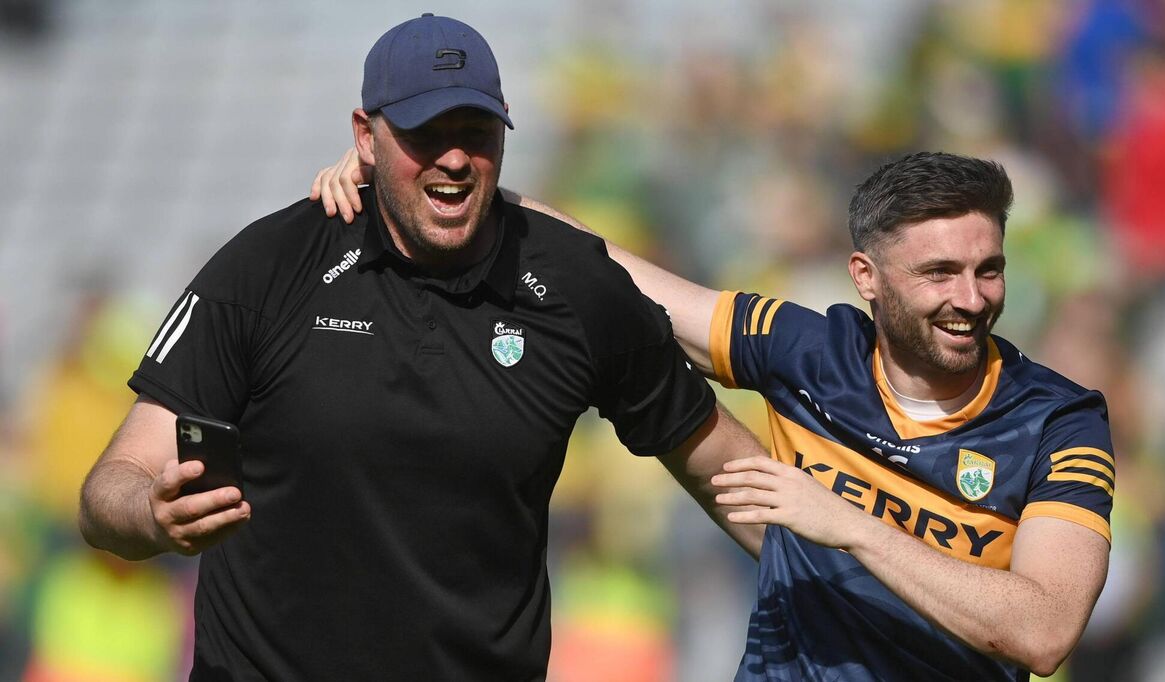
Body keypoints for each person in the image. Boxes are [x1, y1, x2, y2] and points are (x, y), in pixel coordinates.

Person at [78, 14, 766, 681]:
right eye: (425, 132)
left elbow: (728, 474)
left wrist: (859, 581)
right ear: (365, 138)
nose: (456, 156)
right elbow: (111, 486)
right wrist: (152, 514)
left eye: (476, 130)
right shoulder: (266, 267)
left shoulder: (576, 288)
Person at [314, 151, 1115, 680]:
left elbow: (1045, 630)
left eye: (987, 270)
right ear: (866, 277)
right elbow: (611, 275)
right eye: (939, 273)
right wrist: (424, 185)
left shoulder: (1060, 422)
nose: (970, 299)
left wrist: (847, 521)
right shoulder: (810, 349)